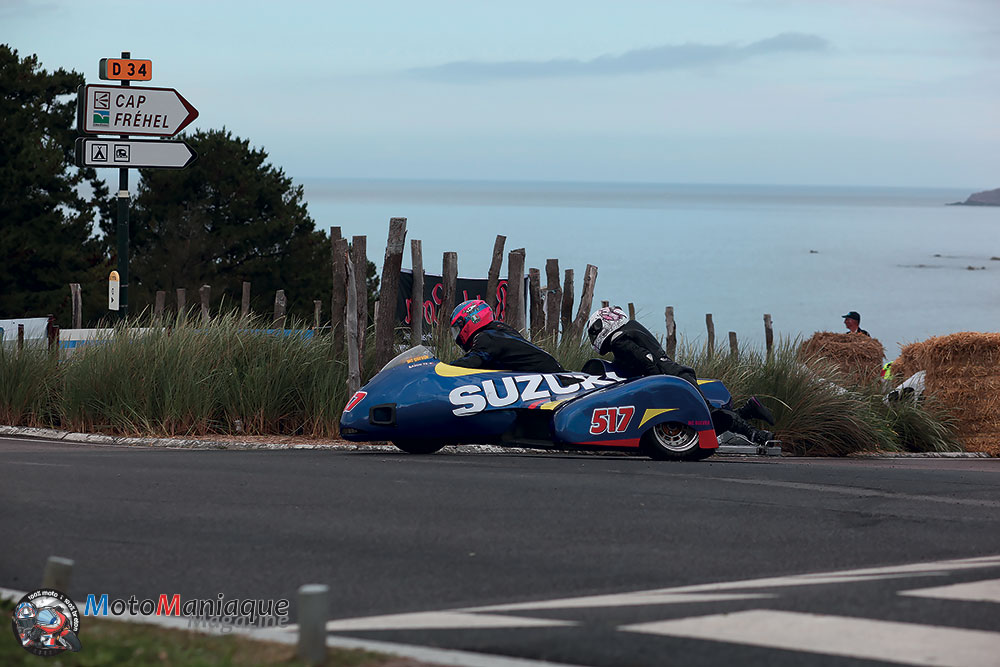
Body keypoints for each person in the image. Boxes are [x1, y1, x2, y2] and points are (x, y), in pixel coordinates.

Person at [586, 305, 775, 445]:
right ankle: (750, 410)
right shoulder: (632, 329)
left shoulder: (620, 341)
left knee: (709, 420)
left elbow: (647, 362)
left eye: (595, 329)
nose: (594, 335)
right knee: (708, 416)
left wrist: (656, 385)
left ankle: (758, 436)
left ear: (607, 321)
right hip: (678, 375)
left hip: (671, 380)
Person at [449, 300, 564, 372]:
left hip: (547, 375)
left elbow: (473, 362)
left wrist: (442, 369)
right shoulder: (499, 330)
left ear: (471, 320)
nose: (457, 335)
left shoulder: (487, 337)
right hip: (550, 371)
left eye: (457, 329)